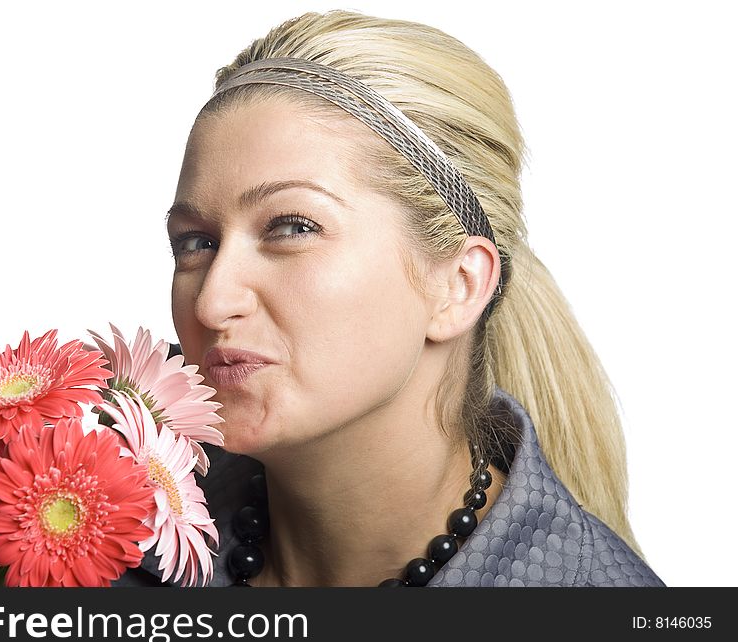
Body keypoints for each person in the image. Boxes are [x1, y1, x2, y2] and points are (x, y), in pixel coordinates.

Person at [159, 9, 664, 587]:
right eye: (195, 242)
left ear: (458, 285)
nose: (211, 304)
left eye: (292, 227)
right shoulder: (97, 518)